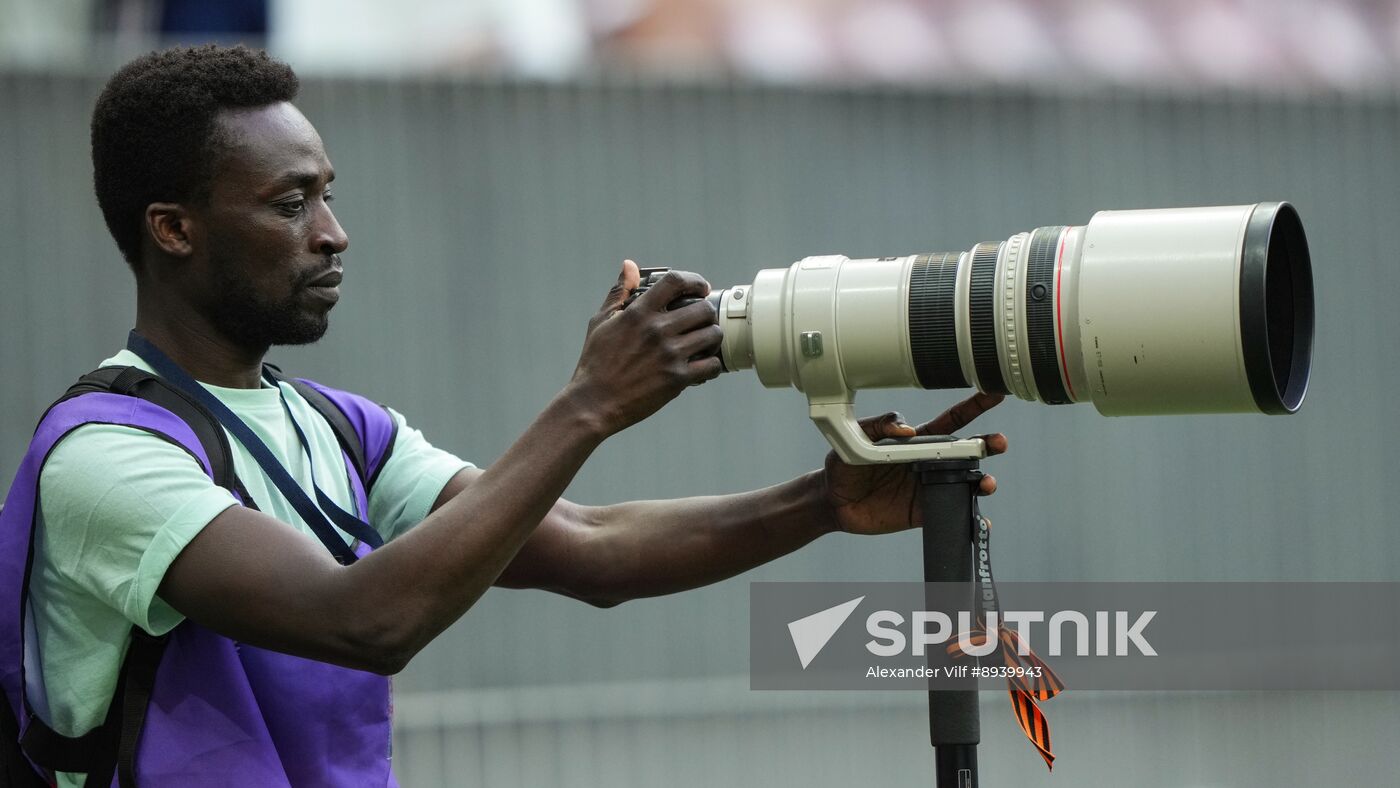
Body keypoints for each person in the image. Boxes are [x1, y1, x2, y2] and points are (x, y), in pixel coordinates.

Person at [0, 45, 1005, 787]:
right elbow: (364, 619)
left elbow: (589, 547)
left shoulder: (333, 425)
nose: (334, 233)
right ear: (173, 231)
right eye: (290, 203)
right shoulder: (106, 454)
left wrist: (823, 498)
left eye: (330, 195)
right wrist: (588, 403)